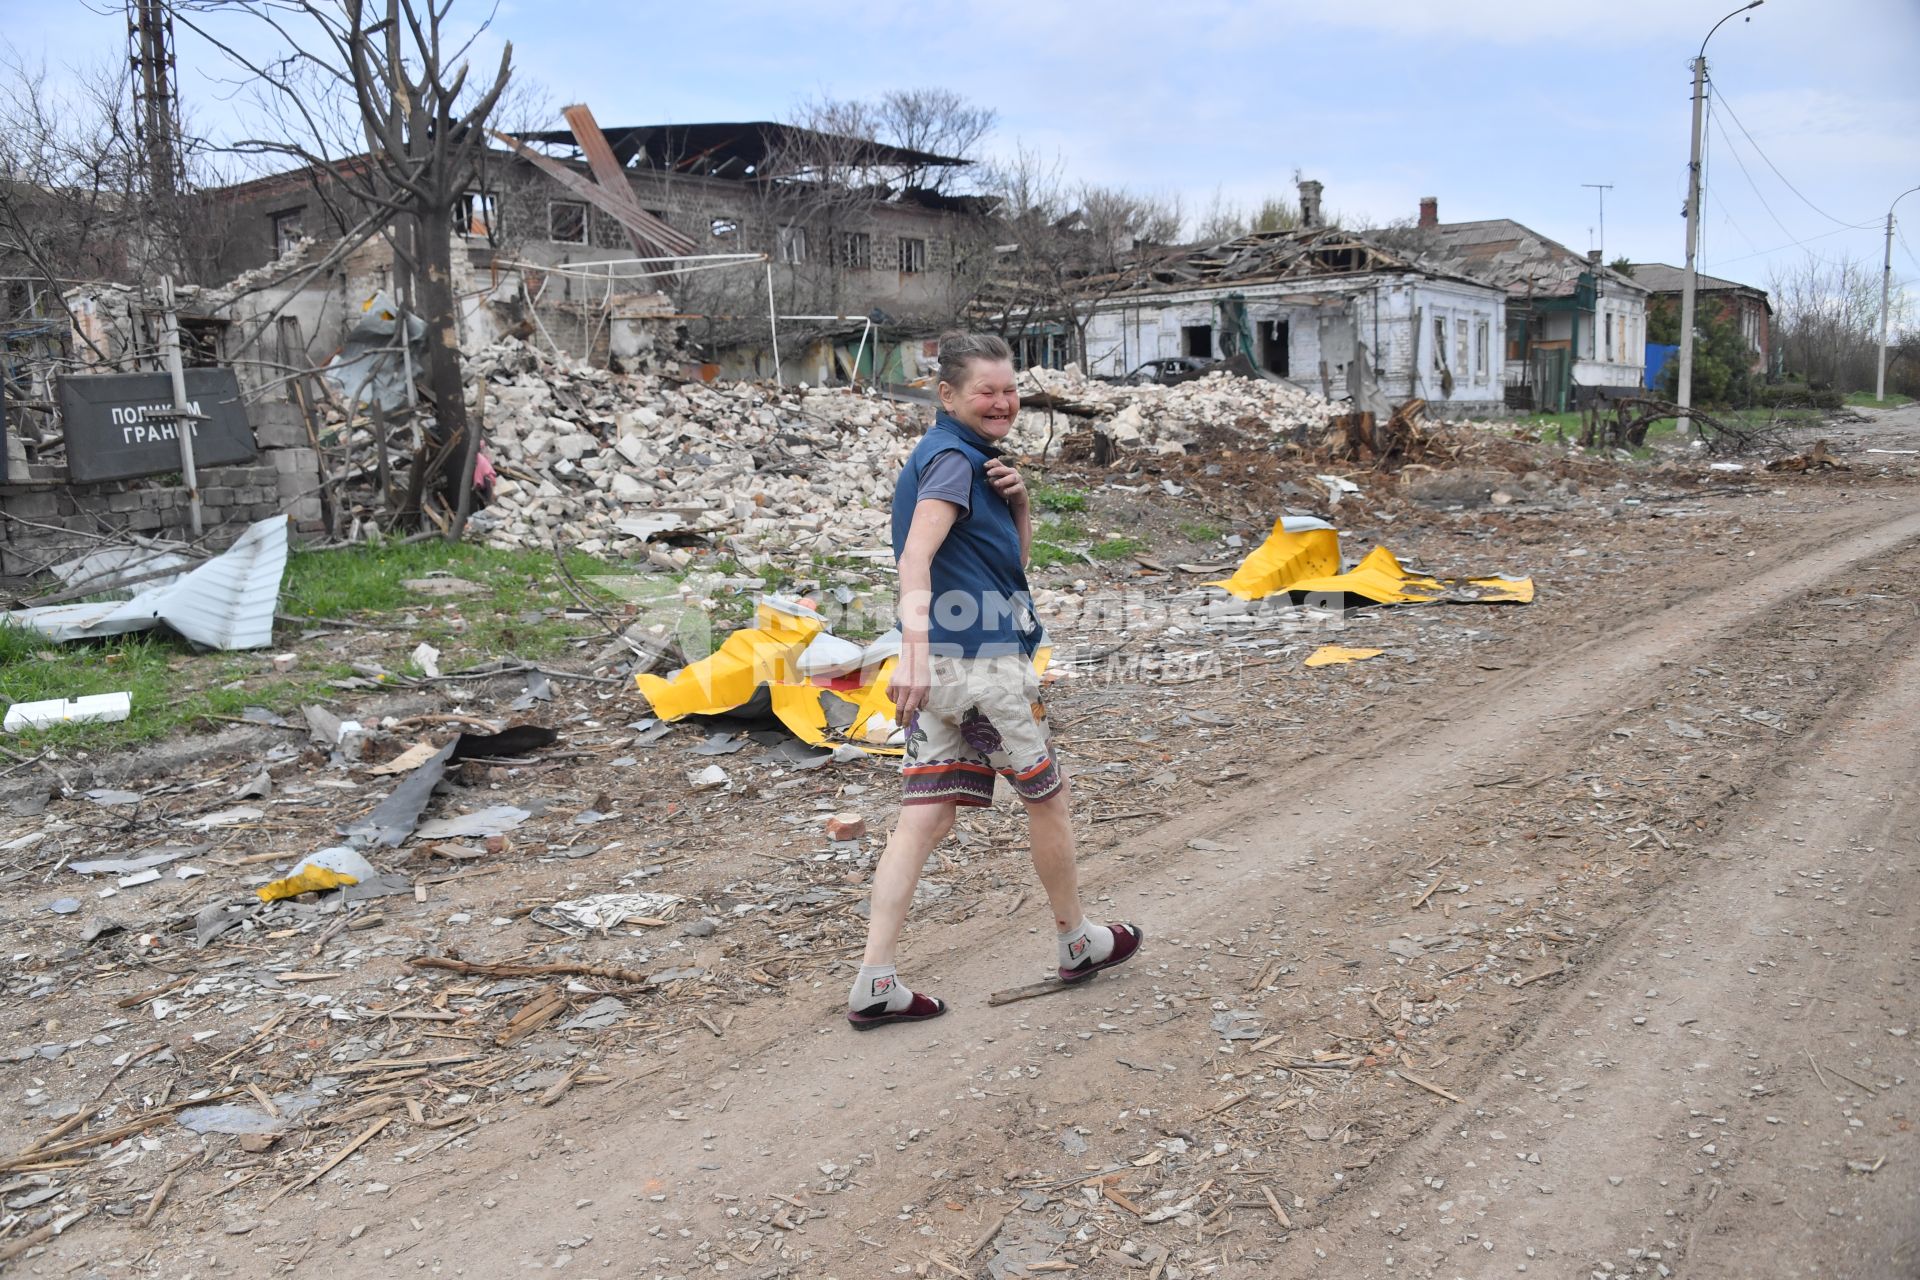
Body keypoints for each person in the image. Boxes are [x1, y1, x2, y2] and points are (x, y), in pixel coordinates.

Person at [847, 333, 1143, 1031]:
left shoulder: (966, 461)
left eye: (1009, 390)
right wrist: (911, 657)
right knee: (1049, 800)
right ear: (946, 395)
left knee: (924, 818)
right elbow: (915, 561)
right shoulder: (953, 459)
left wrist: (1019, 506)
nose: (1002, 402)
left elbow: (1008, 571)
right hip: (982, 668)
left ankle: (875, 979)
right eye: (986, 391)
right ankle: (1077, 942)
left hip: (952, 669)